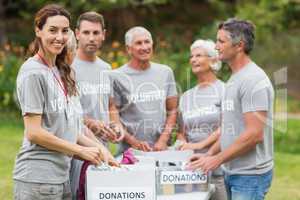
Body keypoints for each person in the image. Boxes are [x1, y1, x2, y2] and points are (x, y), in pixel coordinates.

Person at [13, 4, 115, 200]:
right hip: (38, 179)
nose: (60, 37)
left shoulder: (57, 72)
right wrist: (81, 151)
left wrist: (102, 152)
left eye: (64, 31)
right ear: (38, 30)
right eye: (52, 30)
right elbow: (34, 132)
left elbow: (68, 129)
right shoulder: (32, 72)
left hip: (60, 178)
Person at [187, 18, 274, 200]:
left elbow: (254, 135)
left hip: (250, 176)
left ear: (239, 45)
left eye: (221, 41)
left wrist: (216, 160)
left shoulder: (253, 80)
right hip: (232, 171)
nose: (216, 46)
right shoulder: (234, 79)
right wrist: (208, 155)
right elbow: (229, 129)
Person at [70, 11, 124, 199]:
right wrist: (90, 123)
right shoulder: (67, 67)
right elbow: (62, 112)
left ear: (104, 34)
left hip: (103, 148)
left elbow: (111, 105)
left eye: (95, 33)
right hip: (77, 148)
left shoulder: (106, 68)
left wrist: (116, 126)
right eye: (86, 33)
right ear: (77, 34)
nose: (91, 38)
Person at [111, 26, 178, 152]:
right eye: (138, 43)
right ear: (128, 49)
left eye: (147, 42)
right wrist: (133, 142)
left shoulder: (165, 72)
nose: (144, 47)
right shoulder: (117, 77)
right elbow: (114, 117)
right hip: (130, 152)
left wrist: (163, 140)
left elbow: (172, 110)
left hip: (162, 150)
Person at [176, 39, 227, 200]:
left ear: (213, 60)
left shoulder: (225, 90)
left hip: (219, 170)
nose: (193, 59)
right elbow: (181, 133)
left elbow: (227, 127)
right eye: (192, 56)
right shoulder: (186, 97)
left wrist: (200, 145)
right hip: (191, 172)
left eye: (199, 55)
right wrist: (182, 144)